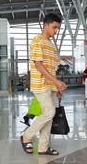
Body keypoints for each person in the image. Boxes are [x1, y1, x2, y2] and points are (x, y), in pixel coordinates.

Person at [20, 13, 68, 156]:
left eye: (58, 28)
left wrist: (57, 86)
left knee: (49, 117)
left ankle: (43, 147)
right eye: (54, 27)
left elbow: (51, 69)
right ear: (45, 25)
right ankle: (26, 136)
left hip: (51, 85)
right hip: (40, 84)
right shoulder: (38, 41)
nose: (56, 31)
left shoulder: (52, 46)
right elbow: (39, 66)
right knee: (49, 112)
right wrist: (55, 82)